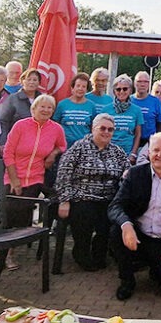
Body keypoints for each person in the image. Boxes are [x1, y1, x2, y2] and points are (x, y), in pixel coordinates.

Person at [108, 132, 161, 301]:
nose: (159, 155)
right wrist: (127, 225)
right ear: (148, 152)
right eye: (155, 150)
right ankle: (127, 280)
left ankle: (157, 268)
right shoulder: (135, 174)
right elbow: (115, 206)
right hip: (139, 237)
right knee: (116, 232)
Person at [55, 114, 130, 271]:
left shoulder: (117, 151)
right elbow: (64, 173)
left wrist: (126, 175)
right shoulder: (79, 147)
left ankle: (100, 253)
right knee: (85, 215)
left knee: (109, 219)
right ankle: (81, 252)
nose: (106, 132)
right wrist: (65, 200)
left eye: (110, 129)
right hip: (83, 196)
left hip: (108, 197)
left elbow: (128, 172)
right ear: (93, 129)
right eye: (102, 128)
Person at [3, 94, 66, 228]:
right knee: (9, 214)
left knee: (29, 214)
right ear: (34, 108)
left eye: (50, 107)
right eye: (42, 106)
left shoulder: (56, 129)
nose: (46, 110)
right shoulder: (20, 125)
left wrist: (53, 154)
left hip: (36, 178)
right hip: (13, 176)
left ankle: (28, 241)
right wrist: (14, 180)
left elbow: (62, 146)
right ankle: (4, 247)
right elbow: (8, 153)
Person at [0, 67, 42, 145]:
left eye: (35, 80)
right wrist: (3, 142)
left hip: (38, 142)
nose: (31, 82)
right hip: (17, 141)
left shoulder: (43, 99)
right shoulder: (13, 99)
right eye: (28, 79)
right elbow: (4, 122)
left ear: (39, 83)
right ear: (22, 81)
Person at [53, 72, 97, 147]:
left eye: (84, 86)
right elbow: (55, 125)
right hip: (65, 147)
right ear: (72, 88)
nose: (80, 89)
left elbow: (94, 127)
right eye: (78, 86)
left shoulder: (91, 106)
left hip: (84, 147)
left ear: (86, 90)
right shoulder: (62, 104)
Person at [108, 74, 144, 159]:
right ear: (114, 91)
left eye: (125, 89)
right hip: (109, 152)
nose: (121, 91)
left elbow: (138, 134)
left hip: (128, 153)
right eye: (118, 89)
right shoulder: (106, 109)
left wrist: (133, 153)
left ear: (130, 91)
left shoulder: (137, 110)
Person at [131, 71, 161, 136]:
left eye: (145, 82)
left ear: (149, 84)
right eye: (139, 81)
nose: (142, 84)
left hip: (149, 141)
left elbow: (160, 123)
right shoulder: (128, 100)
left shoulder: (156, 102)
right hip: (130, 140)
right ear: (134, 83)